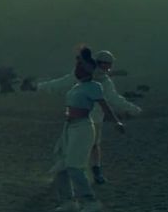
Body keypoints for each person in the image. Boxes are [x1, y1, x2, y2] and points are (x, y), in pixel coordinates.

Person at [37, 48, 141, 184]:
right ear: (102, 63)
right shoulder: (97, 79)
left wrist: (40, 86)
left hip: (84, 117)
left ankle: (86, 172)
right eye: (108, 64)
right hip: (86, 118)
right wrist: (132, 109)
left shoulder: (97, 78)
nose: (109, 67)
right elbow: (113, 99)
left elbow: (63, 82)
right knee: (87, 146)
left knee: (84, 146)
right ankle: (85, 172)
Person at [49, 47, 125, 212]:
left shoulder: (94, 86)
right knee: (60, 166)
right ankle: (67, 201)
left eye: (80, 66)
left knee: (73, 166)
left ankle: (90, 201)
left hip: (82, 128)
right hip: (69, 127)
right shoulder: (77, 86)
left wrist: (116, 122)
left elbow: (106, 107)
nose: (76, 69)